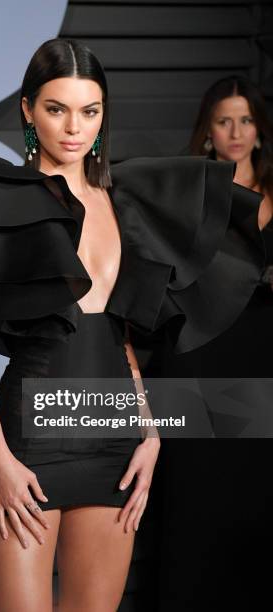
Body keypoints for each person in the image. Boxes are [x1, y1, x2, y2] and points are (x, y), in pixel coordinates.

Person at [0, 42, 265, 612]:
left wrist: (149, 431)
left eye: (90, 111)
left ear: (104, 114)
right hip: (27, 444)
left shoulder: (125, 203)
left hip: (116, 438)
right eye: (57, 109)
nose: (75, 128)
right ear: (27, 110)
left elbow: (119, 332)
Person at [149, 75, 273, 611]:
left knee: (258, 497)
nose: (236, 131)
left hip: (264, 354)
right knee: (196, 494)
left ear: (260, 130)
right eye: (225, 121)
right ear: (208, 132)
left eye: (246, 120)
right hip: (199, 354)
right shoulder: (185, 190)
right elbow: (163, 276)